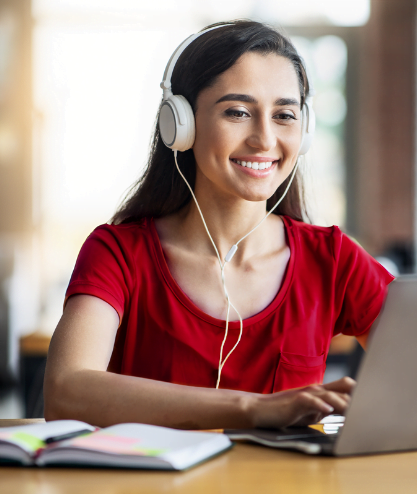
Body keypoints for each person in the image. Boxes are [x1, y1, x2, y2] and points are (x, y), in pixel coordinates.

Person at [43, 20, 394, 430]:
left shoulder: (333, 259)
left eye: (284, 114)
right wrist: (253, 408)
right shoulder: (119, 252)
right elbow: (66, 391)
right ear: (181, 124)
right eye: (238, 112)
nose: (264, 139)